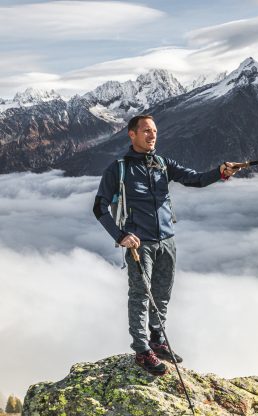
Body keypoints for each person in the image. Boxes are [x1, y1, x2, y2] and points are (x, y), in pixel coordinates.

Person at [93, 114, 243, 375]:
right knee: (141, 295)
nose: (152, 136)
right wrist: (120, 236)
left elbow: (194, 179)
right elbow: (99, 207)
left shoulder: (161, 163)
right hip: (140, 245)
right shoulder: (119, 168)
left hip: (167, 240)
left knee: (162, 294)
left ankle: (157, 340)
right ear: (132, 135)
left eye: (154, 131)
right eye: (146, 131)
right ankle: (142, 351)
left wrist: (221, 171)